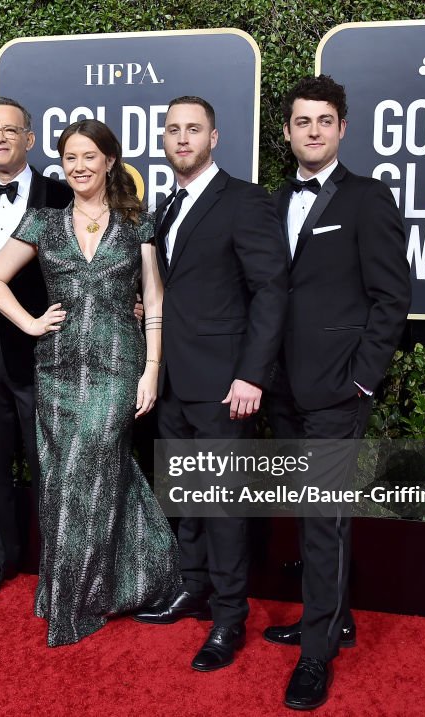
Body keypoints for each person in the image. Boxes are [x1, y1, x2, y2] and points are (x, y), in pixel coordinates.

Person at [0, 118, 180, 647]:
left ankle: (78, 600)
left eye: (90, 156)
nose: (80, 166)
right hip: (58, 367)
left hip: (118, 367)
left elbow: (154, 300)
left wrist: (152, 369)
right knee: (63, 479)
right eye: (70, 157)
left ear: (110, 161)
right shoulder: (43, 221)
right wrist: (29, 323)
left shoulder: (137, 220)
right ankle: (82, 586)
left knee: (88, 465)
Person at [265, 75, 411, 710]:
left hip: (337, 390)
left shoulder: (368, 199)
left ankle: (317, 654)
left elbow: (392, 297)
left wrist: (362, 378)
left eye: (325, 120)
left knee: (323, 519)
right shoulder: (274, 203)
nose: (314, 131)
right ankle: (333, 617)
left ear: (342, 128)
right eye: (303, 121)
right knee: (312, 514)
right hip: (283, 388)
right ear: (290, 131)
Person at [133, 97, 290, 675]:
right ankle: (192, 587)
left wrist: (252, 373)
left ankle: (229, 617)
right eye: (172, 129)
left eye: (192, 129)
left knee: (222, 505)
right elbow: (174, 286)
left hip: (225, 382)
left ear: (215, 137)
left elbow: (271, 291)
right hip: (173, 377)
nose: (181, 138)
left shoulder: (245, 200)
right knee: (185, 495)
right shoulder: (164, 203)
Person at [0, 97, 72, 599]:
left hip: (45, 354)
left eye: (10, 130)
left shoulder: (62, 194)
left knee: (50, 466)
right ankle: (1, 559)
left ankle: (58, 567)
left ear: (30, 139)